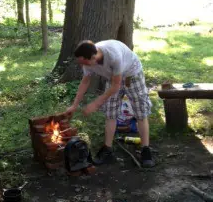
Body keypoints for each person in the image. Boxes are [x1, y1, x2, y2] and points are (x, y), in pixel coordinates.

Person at [65, 39, 155, 168]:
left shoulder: (113, 56)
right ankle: (107, 150)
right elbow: (85, 82)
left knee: (141, 112)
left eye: (84, 62)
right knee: (110, 113)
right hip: (113, 78)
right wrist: (74, 105)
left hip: (132, 75)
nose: (83, 65)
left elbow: (116, 86)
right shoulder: (87, 61)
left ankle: (146, 150)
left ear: (93, 57)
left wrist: (96, 103)